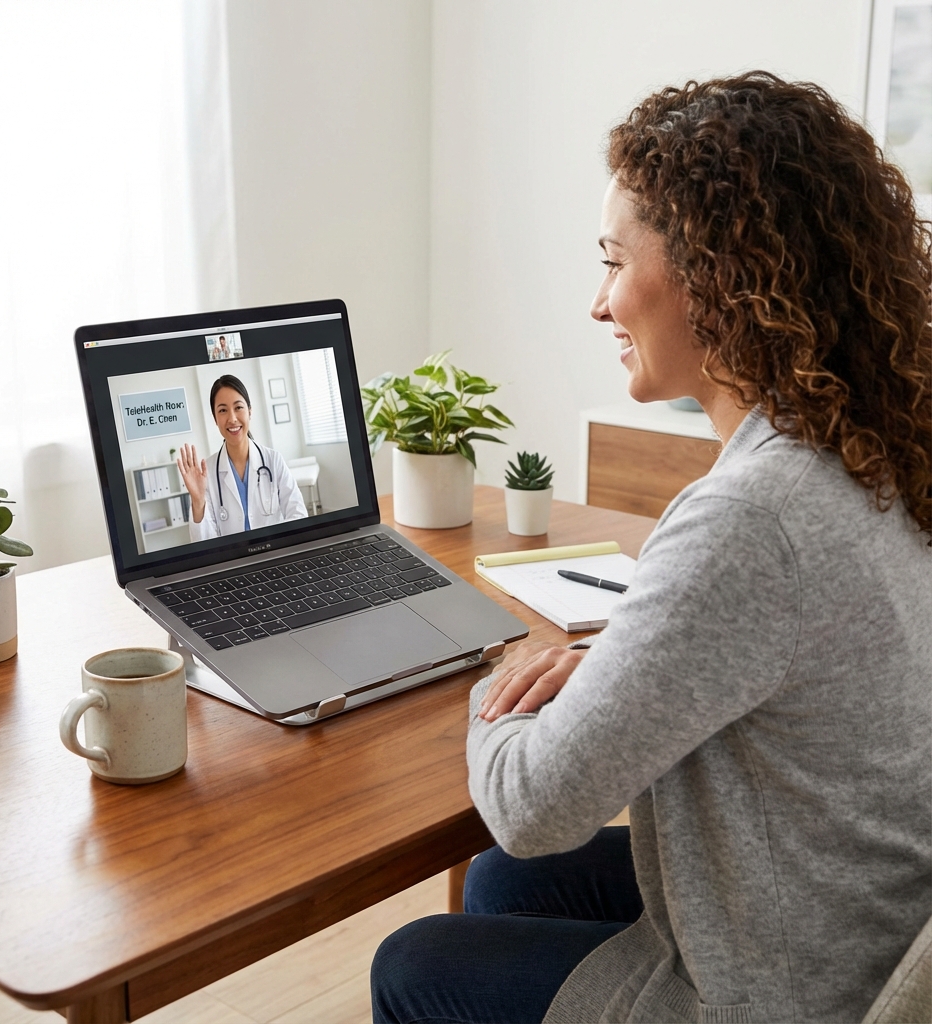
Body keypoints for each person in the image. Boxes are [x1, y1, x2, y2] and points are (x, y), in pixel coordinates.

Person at [371, 72, 931, 1024]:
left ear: (717, 274)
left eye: (612, 262)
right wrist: (617, 662)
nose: (599, 304)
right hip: (864, 924)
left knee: (415, 962)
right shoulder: (875, 452)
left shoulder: (752, 517)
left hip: (782, 991)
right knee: (504, 881)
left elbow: (530, 804)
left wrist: (496, 682)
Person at [177, 374, 307, 539]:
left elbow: (298, 515)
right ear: (215, 419)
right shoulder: (206, 473)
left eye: (238, 407)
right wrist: (198, 501)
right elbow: (204, 544)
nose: (232, 419)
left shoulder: (273, 460)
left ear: (249, 411)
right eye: (223, 410)